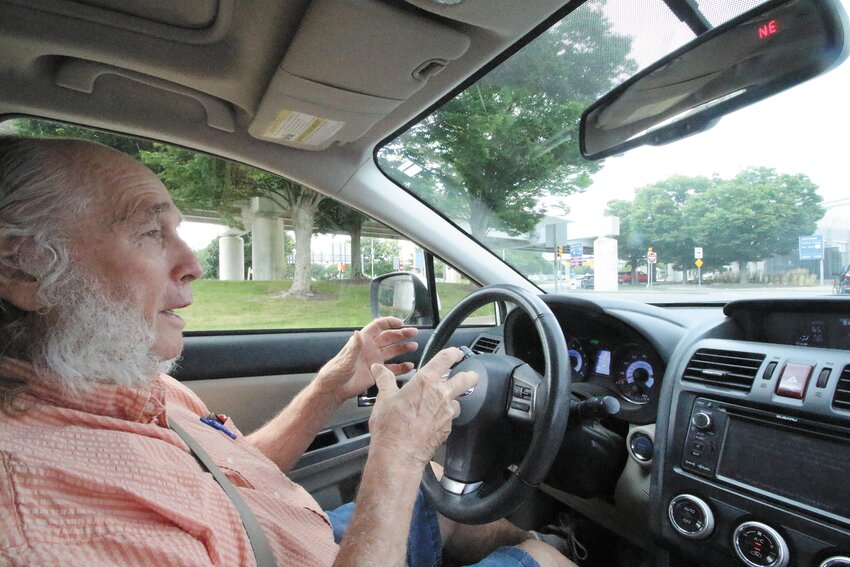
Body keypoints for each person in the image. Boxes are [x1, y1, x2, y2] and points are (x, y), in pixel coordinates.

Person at [0, 136, 575, 567]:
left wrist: (329, 386)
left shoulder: (121, 381)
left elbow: (231, 474)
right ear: (21, 267)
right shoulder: (43, 518)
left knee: (448, 493)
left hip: (307, 537)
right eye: (151, 233)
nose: (193, 263)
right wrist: (393, 456)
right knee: (543, 560)